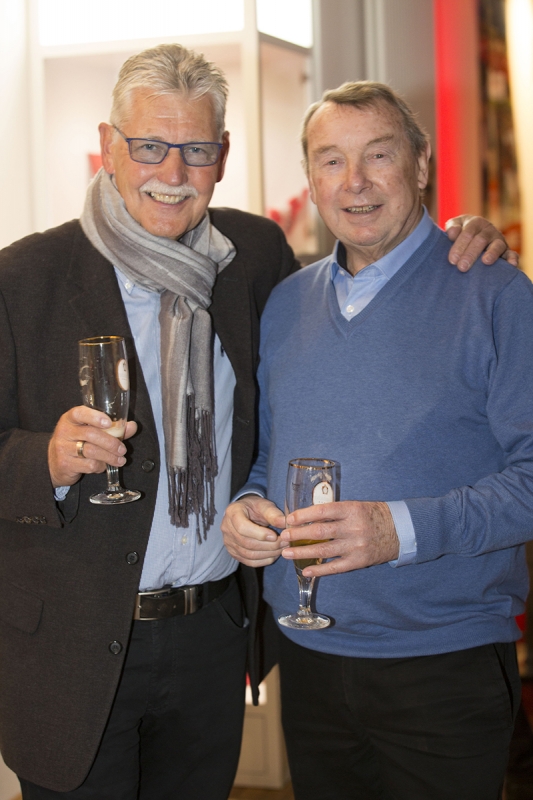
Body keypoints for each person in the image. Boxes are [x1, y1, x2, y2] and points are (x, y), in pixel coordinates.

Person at [0, 41, 515, 798]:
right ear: (108, 145)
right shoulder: (22, 278)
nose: (173, 172)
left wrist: (462, 239)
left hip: (212, 639)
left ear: (222, 156)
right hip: (74, 650)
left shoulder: (253, 259)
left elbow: (364, 297)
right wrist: (43, 459)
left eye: (196, 150)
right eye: (149, 146)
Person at [222, 81, 533, 800]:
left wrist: (399, 530)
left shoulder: (495, 293)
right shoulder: (287, 303)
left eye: (378, 155)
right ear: (310, 179)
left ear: (420, 165)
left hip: (443, 665)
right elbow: (270, 454)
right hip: (309, 655)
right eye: (330, 160)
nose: (354, 181)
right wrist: (246, 506)